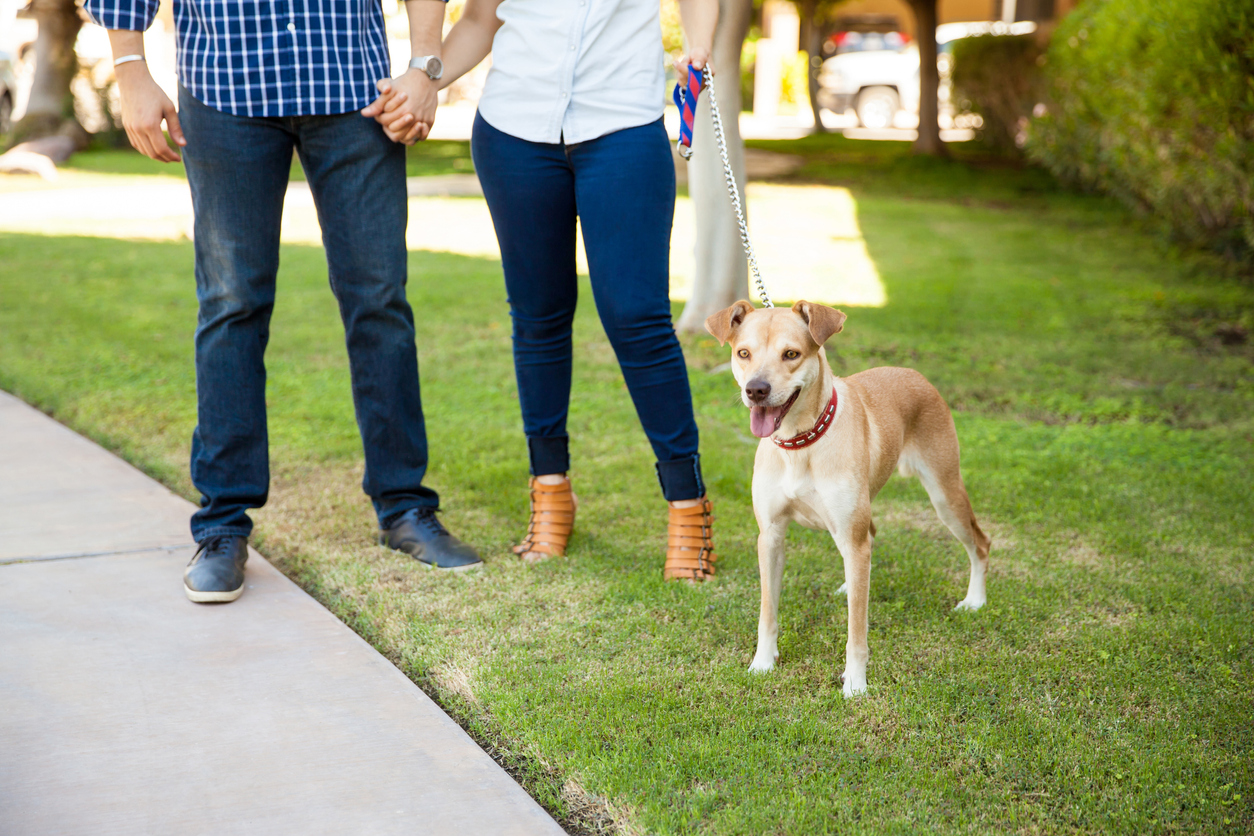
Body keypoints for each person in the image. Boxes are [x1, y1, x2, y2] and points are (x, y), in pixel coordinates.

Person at [85, 0, 483, 604]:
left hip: (355, 90)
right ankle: (222, 525)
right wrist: (131, 67)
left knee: (379, 301)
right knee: (230, 303)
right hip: (226, 88)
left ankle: (404, 507)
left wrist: (424, 67)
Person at [364, 0, 722, 581]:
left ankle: (688, 506)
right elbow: (482, 19)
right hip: (514, 132)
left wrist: (699, 47)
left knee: (638, 318)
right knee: (538, 317)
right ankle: (550, 491)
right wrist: (424, 79)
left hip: (623, 129)